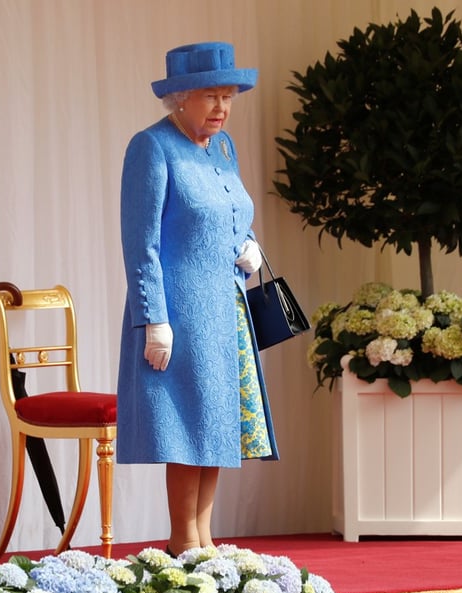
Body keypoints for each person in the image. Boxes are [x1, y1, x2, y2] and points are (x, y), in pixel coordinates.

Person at [116, 41, 279, 557]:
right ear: (180, 98)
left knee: (217, 422)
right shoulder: (152, 147)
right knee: (187, 423)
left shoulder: (222, 147)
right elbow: (140, 242)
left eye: (227, 97)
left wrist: (248, 244)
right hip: (180, 310)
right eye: (211, 96)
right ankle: (183, 540)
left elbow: (231, 214)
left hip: (225, 309)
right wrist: (153, 319)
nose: (221, 108)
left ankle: (204, 538)